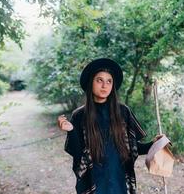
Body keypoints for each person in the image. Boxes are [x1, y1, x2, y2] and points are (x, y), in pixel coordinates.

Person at [57, 58, 162, 194]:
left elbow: (134, 148)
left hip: (119, 182)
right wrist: (71, 131)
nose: (104, 85)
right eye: (99, 80)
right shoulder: (79, 115)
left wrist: (154, 144)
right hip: (94, 183)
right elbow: (78, 155)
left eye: (109, 81)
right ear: (91, 83)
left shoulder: (123, 112)